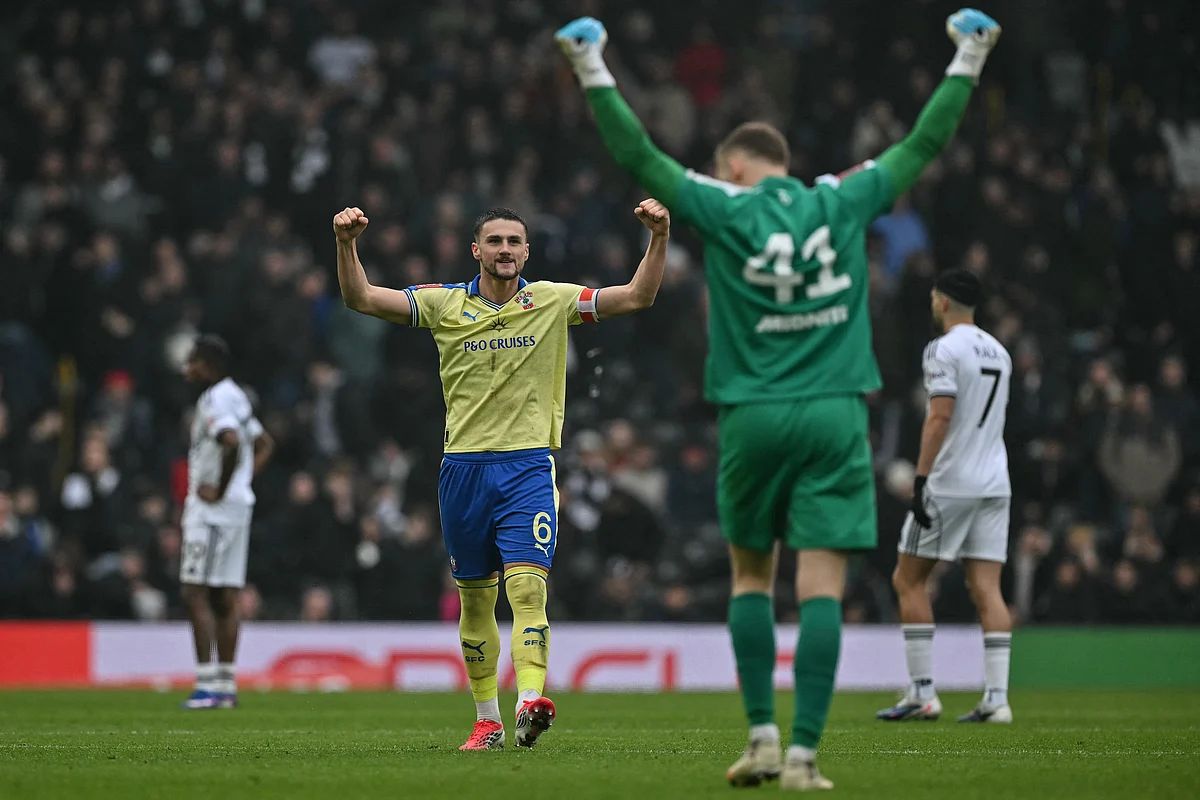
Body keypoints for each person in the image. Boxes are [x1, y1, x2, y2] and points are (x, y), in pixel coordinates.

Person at [556, 8, 1001, 790]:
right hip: (836, 412)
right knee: (820, 585)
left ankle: (761, 734)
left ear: (732, 168)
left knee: (752, 581)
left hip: (754, 413)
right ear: (784, 166)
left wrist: (592, 64)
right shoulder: (843, 200)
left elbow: (638, 153)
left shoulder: (725, 208)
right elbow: (925, 144)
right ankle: (805, 757)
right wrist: (969, 55)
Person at [333, 200, 670, 750]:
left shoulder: (553, 301)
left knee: (528, 586)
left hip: (528, 467)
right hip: (462, 470)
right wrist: (347, 245)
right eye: (495, 241)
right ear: (476, 250)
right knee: (474, 599)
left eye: (515, 241)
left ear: (527, 250)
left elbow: (637, 296)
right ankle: (487, 721)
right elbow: (360, 297)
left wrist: (658, 237)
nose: (506, 250)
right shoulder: (444, 304)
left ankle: (530, 699)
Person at [875, 269, 1014, 724]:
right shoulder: (1000, 351)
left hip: (952, 481)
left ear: (942, 302)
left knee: (907, 578)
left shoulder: (942, 348)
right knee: (987, 589)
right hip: (995, 481)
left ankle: (922, 693)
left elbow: (940, 416)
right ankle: (997, 699)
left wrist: (920, 478)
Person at [180, 335, 274, 709]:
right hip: (236, 508)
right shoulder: (236, 394)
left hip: (214, 512)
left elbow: (232, 441)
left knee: (195, 590)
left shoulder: (217, 399)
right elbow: (264, 443)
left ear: (209, 366)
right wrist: (242, 483)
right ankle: (225, 685)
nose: (187, 369)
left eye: (193, 362)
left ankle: (206, 686)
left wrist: (220, 488)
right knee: (224, 595)